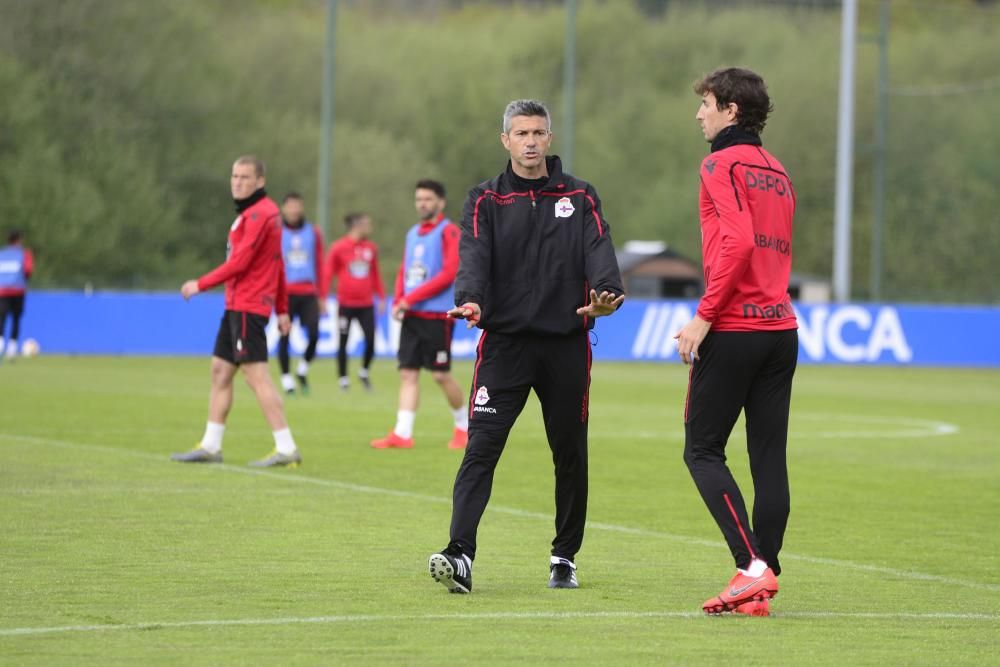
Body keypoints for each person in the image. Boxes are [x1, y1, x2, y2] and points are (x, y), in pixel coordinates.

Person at [427, 99, 624, 594]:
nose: (530, 141)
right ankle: (461, 555)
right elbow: (473, 254)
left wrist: (607, 295)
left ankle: (564, 557)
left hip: (565, 345)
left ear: (549, 139)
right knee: (481, 449)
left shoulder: (580, 196)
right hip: (505, 347)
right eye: (521, 133)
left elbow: (600, 251)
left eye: (538, 132)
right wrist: (470, 300)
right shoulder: (485, 199)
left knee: (569, 452)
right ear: (506, 141)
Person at [674, 68, 798, 617]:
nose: (699, 113)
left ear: (730, 110)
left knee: (701, 450)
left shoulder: (718, 164)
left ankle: (751, 568)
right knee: (768, 456)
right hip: (781, 329)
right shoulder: (779, 170)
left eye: (705, 103)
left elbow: (741, 242)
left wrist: (704, 315)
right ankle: (761, 579)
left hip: (736, 328)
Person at [173, 156, 303, 468]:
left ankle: (286, 448)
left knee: (256, 376)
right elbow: (277, 264)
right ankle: (211, 445)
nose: (238, 182)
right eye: (234, 176)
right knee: (220, 371)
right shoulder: (249, 214)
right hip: (236, 305)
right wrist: (283, 309)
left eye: (245, 177)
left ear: (260, 181)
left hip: (248, 306)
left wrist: (200, 284)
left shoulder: (262, 214)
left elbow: (241, 263)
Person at [370, 180, 468, 451]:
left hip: (437, 315)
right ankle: (403, 433)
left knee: (440, 375)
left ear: (440, 202)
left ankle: (464, 427)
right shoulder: (413, 232)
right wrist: (399, 299)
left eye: (427, 199)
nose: (422, 204)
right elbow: (405, 268)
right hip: (412, 314)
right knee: (408, 373)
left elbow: (448, 274)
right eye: (419, 199)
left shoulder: (448, 232)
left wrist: (409, 299)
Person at [322, 212, 385, 391]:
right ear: (357, 226)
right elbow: (328, 274)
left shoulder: (371, 248)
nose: (370, 228)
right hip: (346, 304)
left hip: (366, 304)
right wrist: (324, 298)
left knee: (371, 341)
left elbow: (375, 274)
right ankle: (343, 379)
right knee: (343, 341)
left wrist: (381, 297)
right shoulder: (338, 247)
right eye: (367, 224)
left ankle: (364, 371)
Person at [277, 192, 325, 396]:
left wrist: (322, 295)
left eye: (298, 206)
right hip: (285, 293)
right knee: (285, 335)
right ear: (284, 208)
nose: (294, 210)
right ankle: (287, 380)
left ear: (302, 207)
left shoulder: (313, 232)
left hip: (308, 293)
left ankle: (302, 370)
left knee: (314, 334)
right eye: (291, 206)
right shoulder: (276, 232)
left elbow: (320, 263)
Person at [0, 231, 34, 361]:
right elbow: (28, 270)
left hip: (2, 291)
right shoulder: (24, 254)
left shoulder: (1, 254)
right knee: (16, 319)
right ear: (18, 241)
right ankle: (12, 350)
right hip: (17, 291)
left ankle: (0, 347)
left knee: (1, 319)